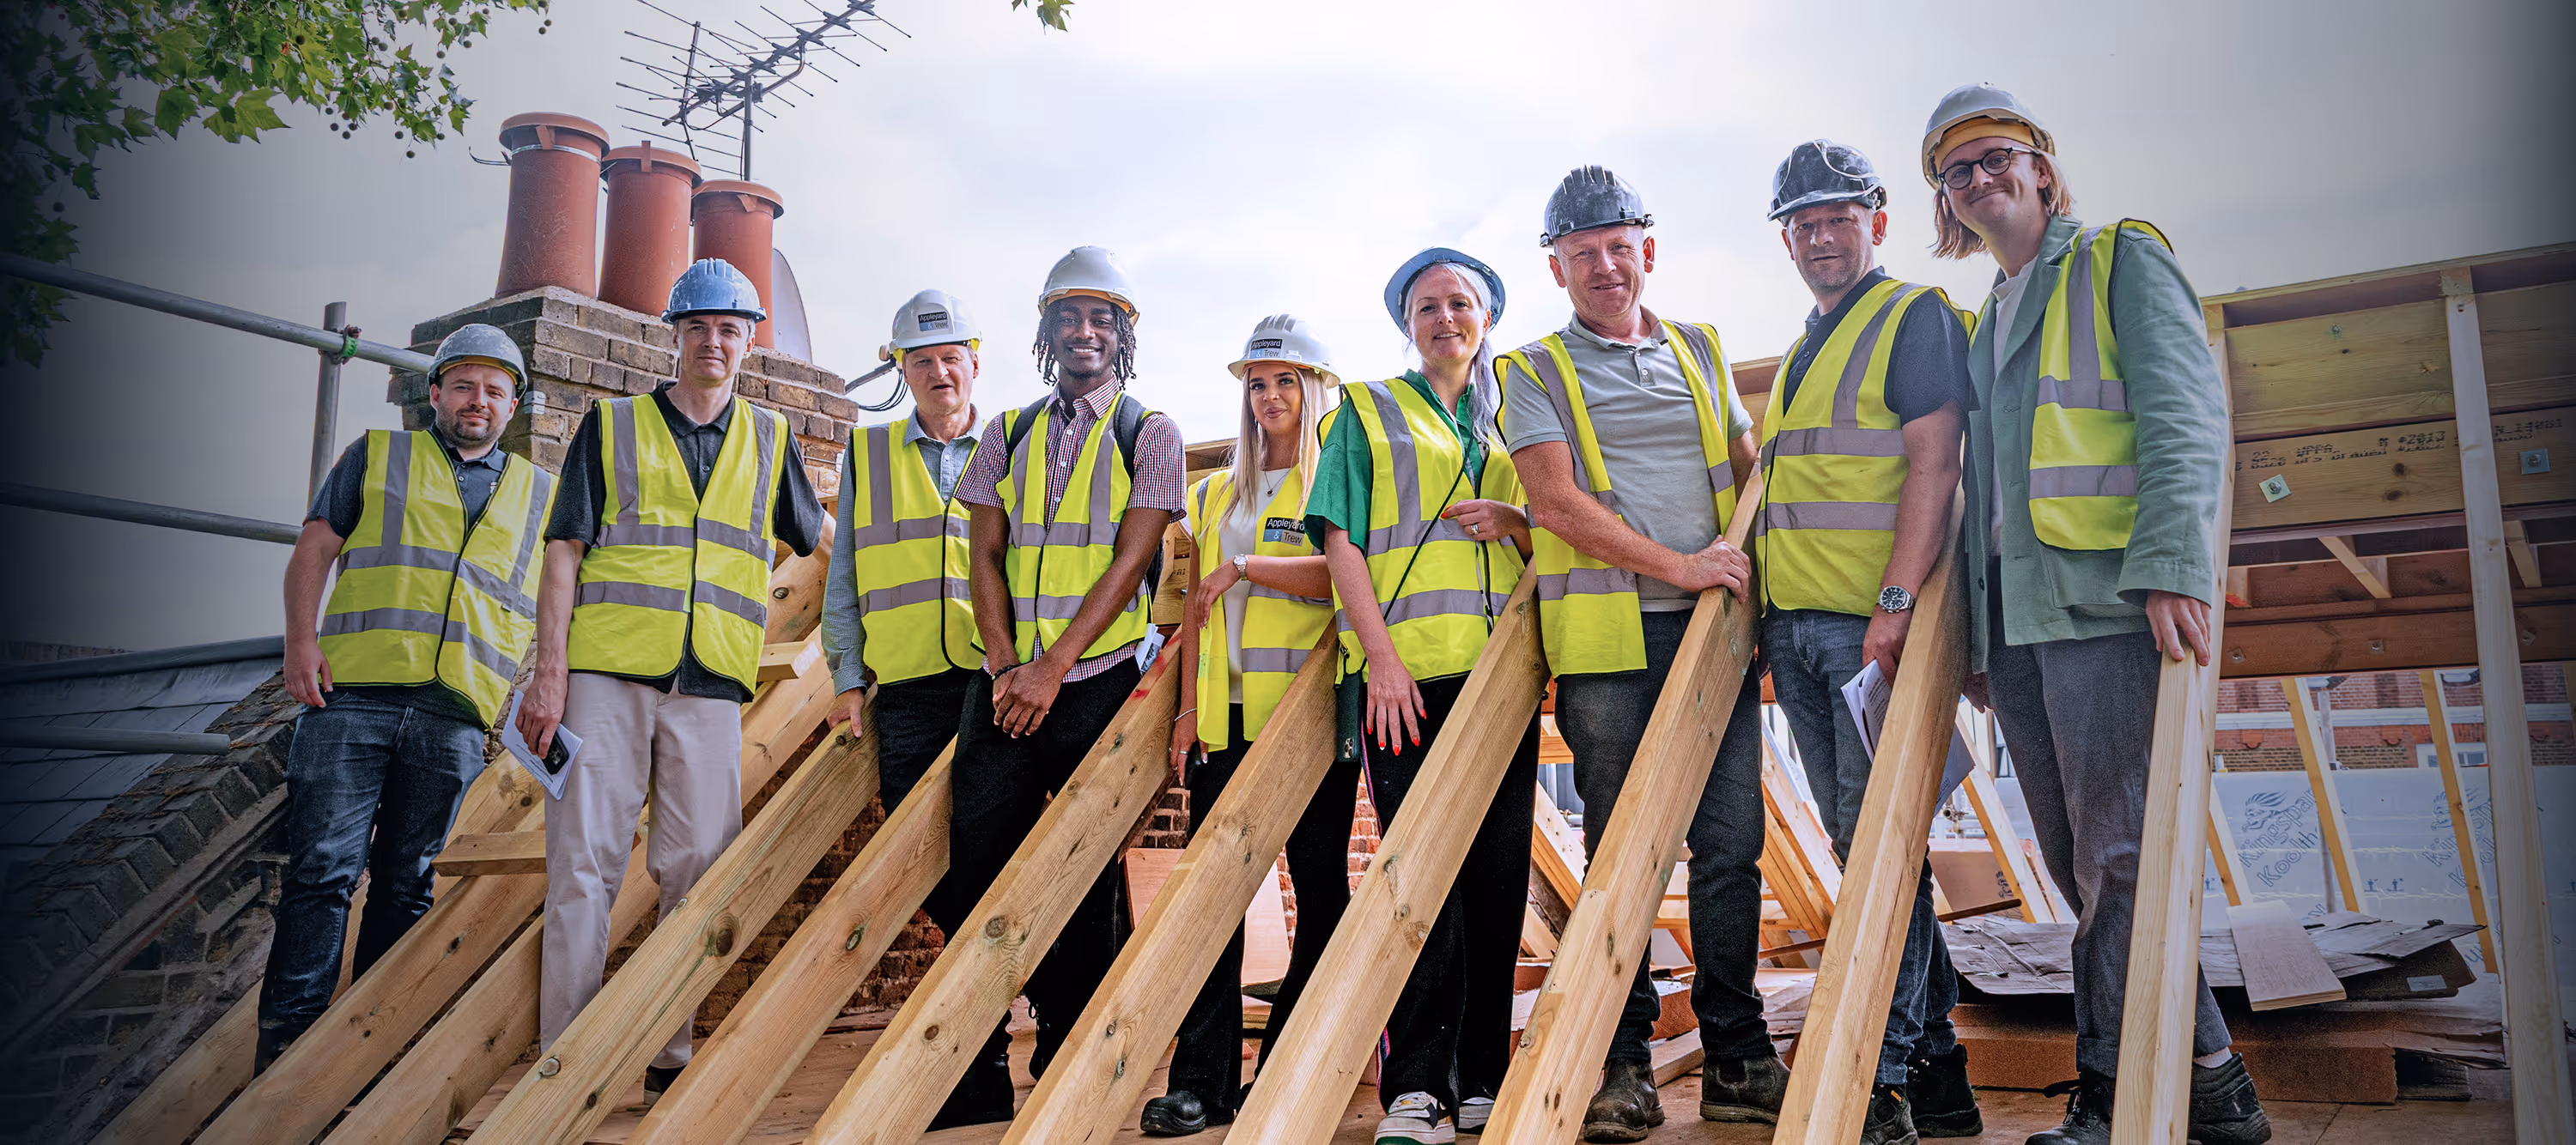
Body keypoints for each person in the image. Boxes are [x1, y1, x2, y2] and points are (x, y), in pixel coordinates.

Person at [1923, 83, 2269, 1145]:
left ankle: (2118, 1091)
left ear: (2039, 164)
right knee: (2092, 862)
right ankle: (2215, 1085)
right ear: (1948, 202)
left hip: (2111, 604)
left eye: (1995, 159)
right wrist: (1979, 640)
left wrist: (2172, 565)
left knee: (2119, 854)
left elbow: (2183, 411)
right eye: (1957, 172)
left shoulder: (2119, 257)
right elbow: (1983, 488)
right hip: (2022, 624)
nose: (1981, 181)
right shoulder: (1989, 318)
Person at [1497, 166, 1773, 1142]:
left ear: (1646, 250)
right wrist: (1685, 566)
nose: (1606, 266)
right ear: (1558, 266)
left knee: (1733, 845)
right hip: (1615, 641)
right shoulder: (1532, 368)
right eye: (1584, 254)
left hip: (1715, 637)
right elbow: (1557, 503)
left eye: (1620, 247)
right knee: (1625, 856)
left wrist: (1753, 591)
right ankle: (1623, 1059)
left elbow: (1747, 473)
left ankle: (1740, 1053)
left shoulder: (1700, 344)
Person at [515, 257, 827, 1100]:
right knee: (586, 862)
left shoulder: (770, 439)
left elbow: (820, 535)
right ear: (675, 334)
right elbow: (561, 552)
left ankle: (668, 1046)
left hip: (713, 685)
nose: (714, 342)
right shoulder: (611, 425)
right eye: (699, 327)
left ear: (750, 341)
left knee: (698, 868)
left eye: (731, 329)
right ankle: (564, 1059)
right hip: (606, 675)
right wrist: (547, 678)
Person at [1755, 139, 1981, 1145]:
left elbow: (1935, 463)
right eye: (1803, 222)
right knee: (1866, 844)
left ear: (1876, 223)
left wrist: (1897, 601)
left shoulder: (1912, 315)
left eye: (1838, 216)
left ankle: (1880, 1078)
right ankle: (1939, 1071)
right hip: (1797, 629)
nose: (1820, 234)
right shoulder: (1807, 340)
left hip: (1866, 626)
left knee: (1878, 849)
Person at [938, 245, 1188, 1128]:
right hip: (1005, 684)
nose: (1085, 333)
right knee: (975, 866)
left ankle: (1083, 1055)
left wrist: (1050, 668)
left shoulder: (1150, 431)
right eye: (1068, 318)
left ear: (1123, 335)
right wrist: (1007, 665)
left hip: (1095, 682)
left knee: (1085, 873)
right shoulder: (1004, 430)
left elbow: (1133, 560)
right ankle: (983, 1066)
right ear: (1046, 332)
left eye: (1101, 318)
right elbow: (983, 557)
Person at [262, 324, 556, 1069]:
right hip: (350, 700)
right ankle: (283, 1068)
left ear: (512, 405)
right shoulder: (376, 455)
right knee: (322, 875)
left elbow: (563, 601)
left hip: (455, 716)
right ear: (435, 394)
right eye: (463, 385)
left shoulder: (541, 494)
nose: (477, 401)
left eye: (494, 390)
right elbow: (313, 553)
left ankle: (365, 1064)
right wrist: (301, 644)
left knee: (406, 887)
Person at [1305, 248, 1537, 1145]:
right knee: (1417, 878)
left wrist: (1516, 520)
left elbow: (1541, 536)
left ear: (1486, 317)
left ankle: (1484, 1076)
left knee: (1495, 879)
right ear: (1408, 321)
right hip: (1410, 679)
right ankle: (1415, 1089)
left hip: (1502, 682)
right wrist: (1382, 660)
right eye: (1428, 305)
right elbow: (1340, 540)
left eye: (1461, 303)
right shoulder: (1368, 409)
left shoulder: (1514, 417)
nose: (1446, 317)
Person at [1139, 315, 1352, 1136]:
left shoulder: (1335, 479)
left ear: (1316, 389)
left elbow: (1343, 577)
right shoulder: (1211, 492)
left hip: (1306, 722)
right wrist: (1188, 709)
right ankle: (1201, 1085)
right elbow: (1189, 611)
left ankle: (1291, 1059)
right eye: (1258, 382)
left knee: (1323, 892)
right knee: (1216, 903)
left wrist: (1250, 566)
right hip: (1224, 724)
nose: (1269, 396)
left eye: (1286, 380)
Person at [821, 289, 984, 942]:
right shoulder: (866, 454)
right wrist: (846, 679)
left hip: (989, 685)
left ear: (975, 363)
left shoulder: (1013, 447)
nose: (938, 373)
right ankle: (981, 993)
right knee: (919, 854)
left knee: (992, 838)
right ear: (901, 369)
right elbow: (845, 578)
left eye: (951, 358)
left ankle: (989, 1029)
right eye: (921, 362)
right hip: (907, 690)